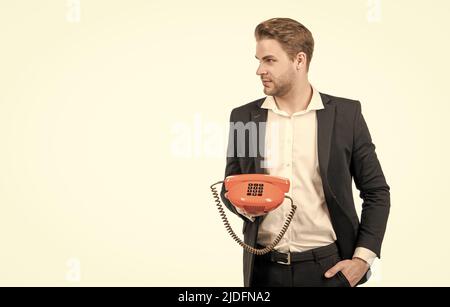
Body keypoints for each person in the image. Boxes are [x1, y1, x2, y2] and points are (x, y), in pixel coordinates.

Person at [220, 17, 390, 287]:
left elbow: (376, 191)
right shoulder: (244, 118)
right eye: (258, 60)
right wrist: (244, 205)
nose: (259, 70)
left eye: (269, 60)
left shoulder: (346, 115)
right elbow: (230, 187)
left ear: (299, 60)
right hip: (263, 270)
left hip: (328, 269)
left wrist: (362, 260)